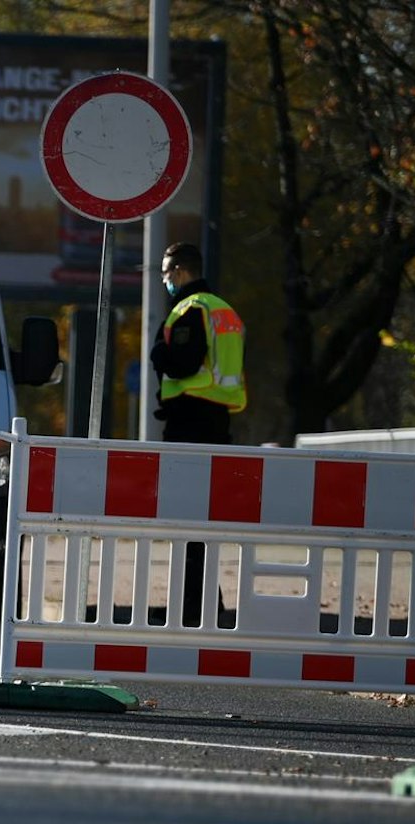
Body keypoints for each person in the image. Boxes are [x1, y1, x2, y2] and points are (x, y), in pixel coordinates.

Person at [150, 242, 245, 626]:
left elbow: (184, 364)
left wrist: (159, 353)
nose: (165, 280)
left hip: (189, 425)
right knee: (200, 522)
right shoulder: (224, 310)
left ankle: (194, 608)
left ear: (180, 270)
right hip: (216, 423)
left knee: (186, 520)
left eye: (166, 273)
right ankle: (204, 603)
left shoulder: (191, 309)